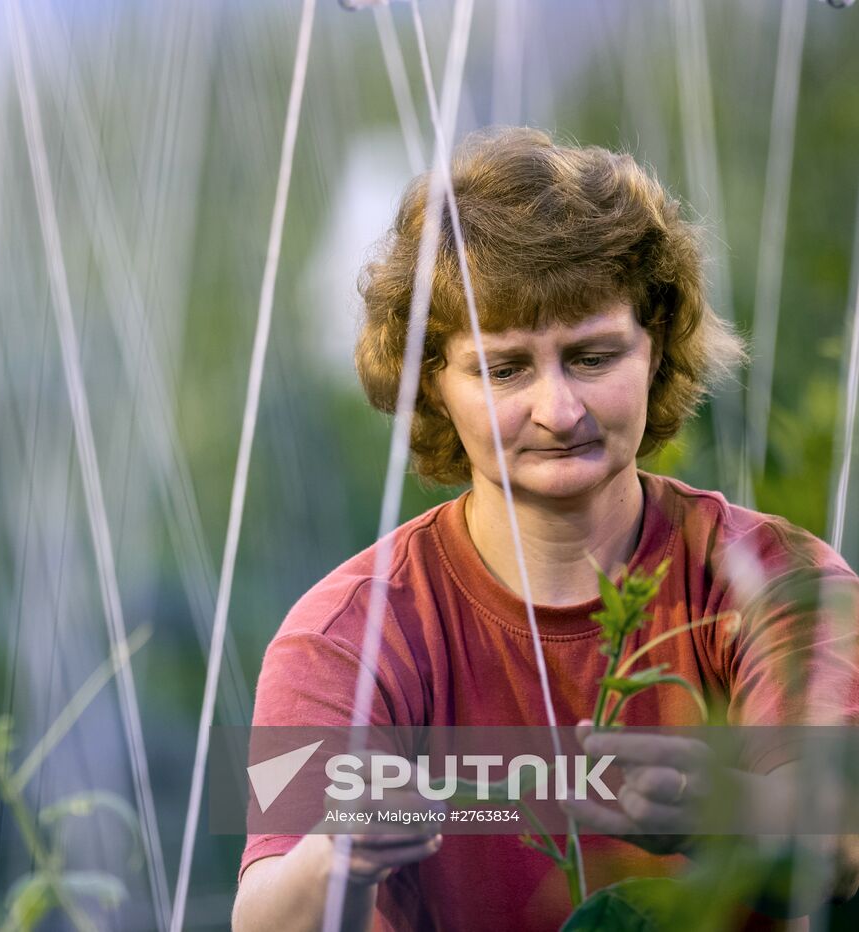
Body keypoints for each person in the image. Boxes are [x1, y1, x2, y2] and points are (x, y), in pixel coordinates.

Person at [230, 127, 859, 931]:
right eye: (505, 369)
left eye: (594, 357)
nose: (559, 412)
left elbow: (835, 840)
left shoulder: (772, 580)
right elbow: (264, 918)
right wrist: (338, 853)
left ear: (657, 348)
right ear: (434, 382)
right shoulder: (343, 635)